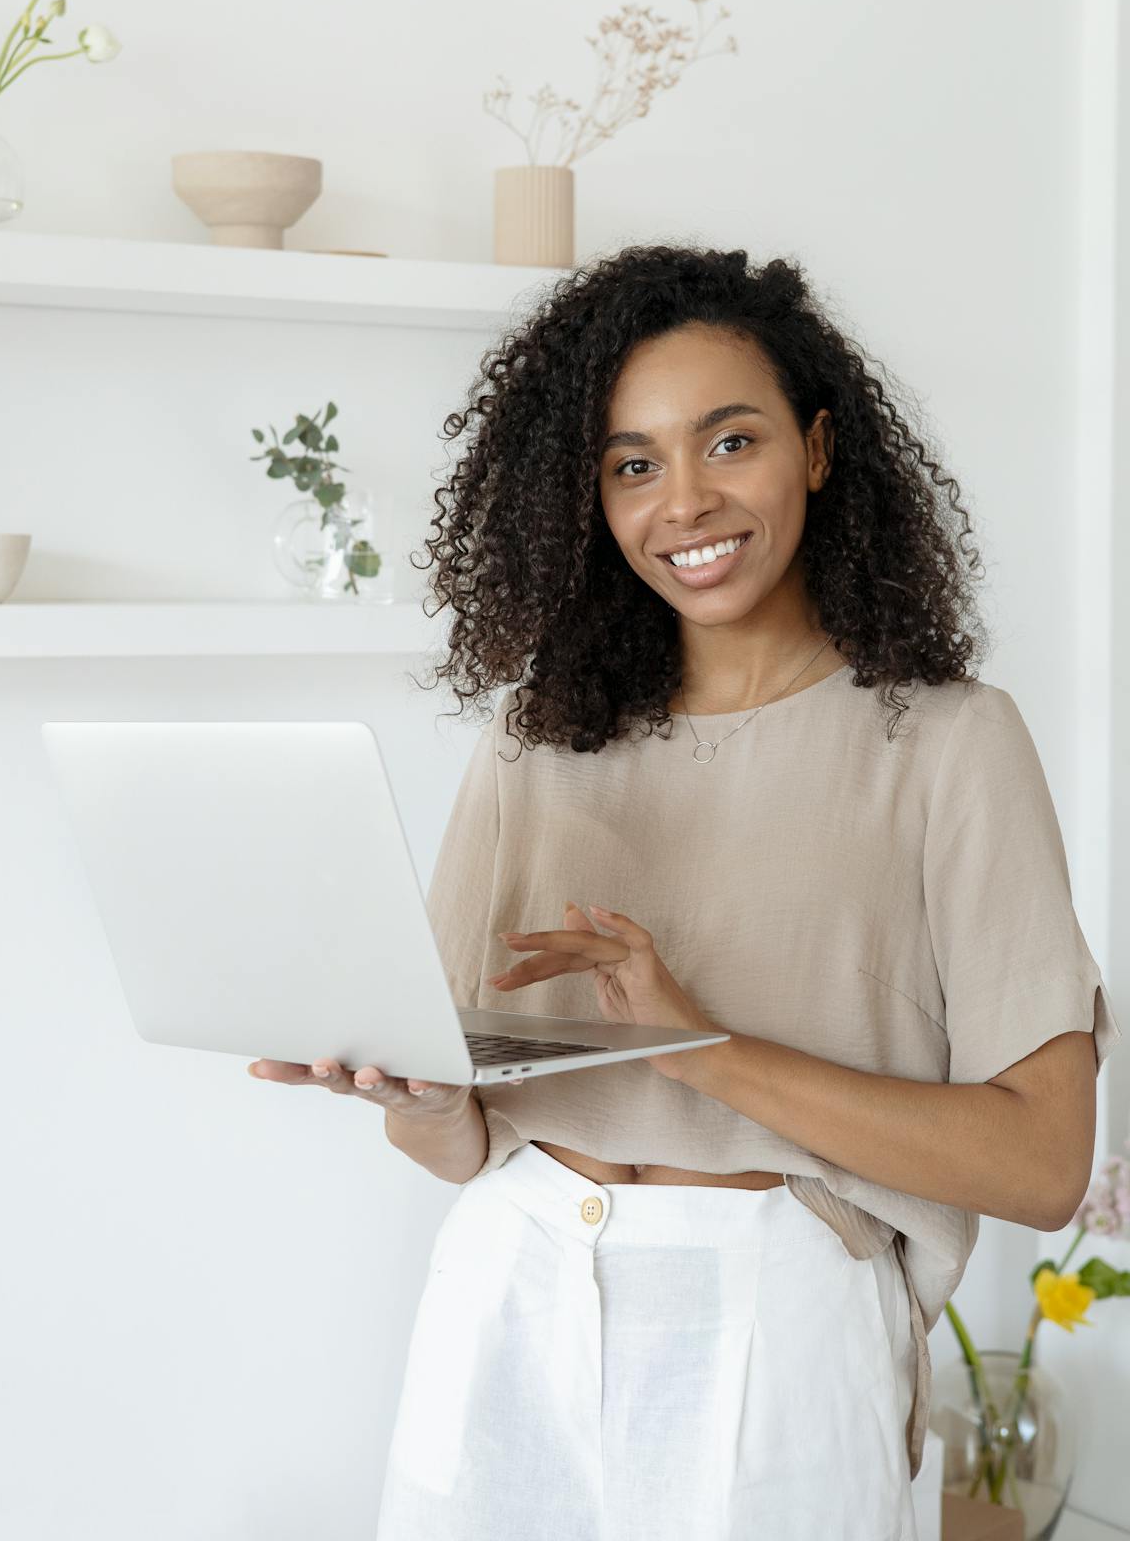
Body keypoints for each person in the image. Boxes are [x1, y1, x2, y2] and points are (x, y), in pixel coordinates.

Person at [247, 244, 1122, 1541]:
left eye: (730, 441)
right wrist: (414, 1093)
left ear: (819, 450)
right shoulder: (538, 740)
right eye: (634, 463)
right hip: (512, 1282)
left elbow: (1045, 1164)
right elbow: (457, 1141)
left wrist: (700, 1044)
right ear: (588, 496)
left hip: (779, 1315)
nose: (686, 502)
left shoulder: (948, 741)